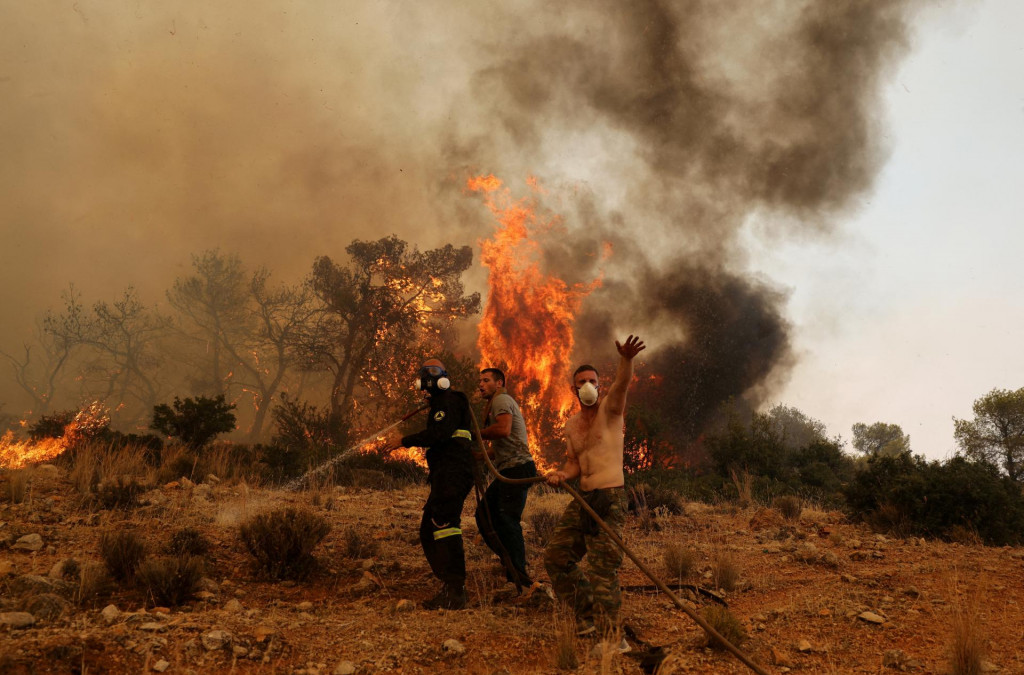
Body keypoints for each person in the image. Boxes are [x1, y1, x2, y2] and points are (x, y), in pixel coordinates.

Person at [543, 334, 646, 638]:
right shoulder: (571, 425)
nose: (587, 385)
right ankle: (586, 614)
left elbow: (622, 384)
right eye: (581, 381)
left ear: (600, 386)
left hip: (610, 498)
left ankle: (612, 638)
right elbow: (574, 463)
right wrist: (562, 475)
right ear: (573, 389)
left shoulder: (610, 411)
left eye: (592, 381)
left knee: (602, 569)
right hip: (584, 499)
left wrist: (626, 359)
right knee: (557, 558)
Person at [389, 358, 475, 610]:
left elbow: (439, 434)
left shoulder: (449, 401)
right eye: (425, 374)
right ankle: (450, 584)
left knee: (444, 525)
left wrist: (403, 441)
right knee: (429, 529)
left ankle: (455, 590)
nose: (428, 377)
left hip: (453, 472)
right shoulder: (441, 404)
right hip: (445, 473)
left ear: (444, 378)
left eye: (434, 371)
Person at [474, 367, 537, 589]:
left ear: (499, 383)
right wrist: (478, 456)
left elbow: (503, 430)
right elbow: (500, 447)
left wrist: (473, 433)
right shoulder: (497, 403)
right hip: (510, 469)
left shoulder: (501, 400)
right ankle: (509, 562)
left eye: (486, 380)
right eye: (480, 381)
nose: (481, 385)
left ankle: (519, 574)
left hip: (517, 469)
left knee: (507, 519)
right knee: (484, 514)